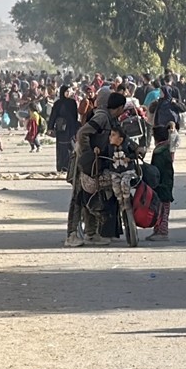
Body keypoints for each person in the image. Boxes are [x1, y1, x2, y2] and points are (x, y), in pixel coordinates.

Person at [66, 92, 127, 248]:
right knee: (78, 198)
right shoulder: (101, 117)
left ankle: (91, 234)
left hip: (97, 164)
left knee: (91, 196)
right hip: (85, 164)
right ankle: (71, 235)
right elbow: (83, 133)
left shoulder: (110, 118)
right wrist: (88, 153)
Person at [146, 124, 175, 241]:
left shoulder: (159, 152)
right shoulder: (165, 149)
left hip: (162, 186)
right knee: (163, 209)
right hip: (166, 184)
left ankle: (162, 232)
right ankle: (158, 230)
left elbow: (156, 171)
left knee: (161, 209)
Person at [49, 85, 80, 173]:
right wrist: (50, 127)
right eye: (66, 91)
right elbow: (53, 115)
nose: (68, 93)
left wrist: (76, 127)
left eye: (69, 91)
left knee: (71, 146)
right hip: (61, 129)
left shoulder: (72, 102)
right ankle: (61, 165)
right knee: (61, 147)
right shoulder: (58, 103)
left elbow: (75, 116)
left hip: (71, 128)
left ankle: (69, 166)